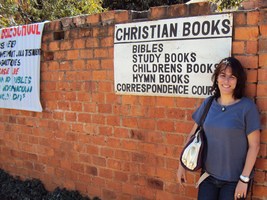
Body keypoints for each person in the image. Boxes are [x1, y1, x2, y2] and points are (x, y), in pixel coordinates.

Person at [177, 57, 261, 200]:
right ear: (217, 78)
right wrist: (181, 166)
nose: (226, 81)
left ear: (238, 80)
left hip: (234, 181)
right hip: (208, 177)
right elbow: (192, 135)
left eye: (232, 77)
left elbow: (254, 146)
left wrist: (244, 180)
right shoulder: (209, 103)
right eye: (223, 75)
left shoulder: (247, 107)